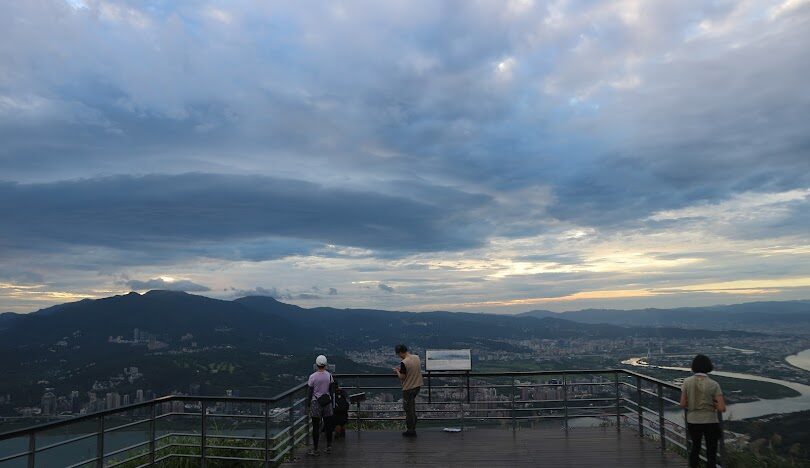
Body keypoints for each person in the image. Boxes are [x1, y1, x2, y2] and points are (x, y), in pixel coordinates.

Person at [680, 354, 726, 468]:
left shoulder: (687, 382)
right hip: (710, 421)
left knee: (695, 448)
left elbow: (682, 404)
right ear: (708, 367)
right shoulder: (714, 384)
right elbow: (722, 408)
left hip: (693, 420)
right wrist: (713, 405)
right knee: (711, 452)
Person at [393, 344, 423, 437]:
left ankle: (411, 430)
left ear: (401, 352)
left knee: (408, 410)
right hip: (417, 386)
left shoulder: (404, 362)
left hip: (408, 388)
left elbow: (402, 377)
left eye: (398, 354)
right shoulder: (416, 357)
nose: (399, 356)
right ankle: (413, 426)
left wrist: (397, 371)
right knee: (412, 408)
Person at [307, 354, 334, 456]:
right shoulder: (329, 375)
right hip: (327, 402)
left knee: (315, 426)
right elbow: (331, 391)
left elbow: (309, 392)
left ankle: (316, 449)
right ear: (326, 364)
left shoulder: (312, 377)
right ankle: (328, 447)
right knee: (328, 426)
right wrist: (332, 402)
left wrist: (308, 404)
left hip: (315, 403)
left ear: (316, 364)